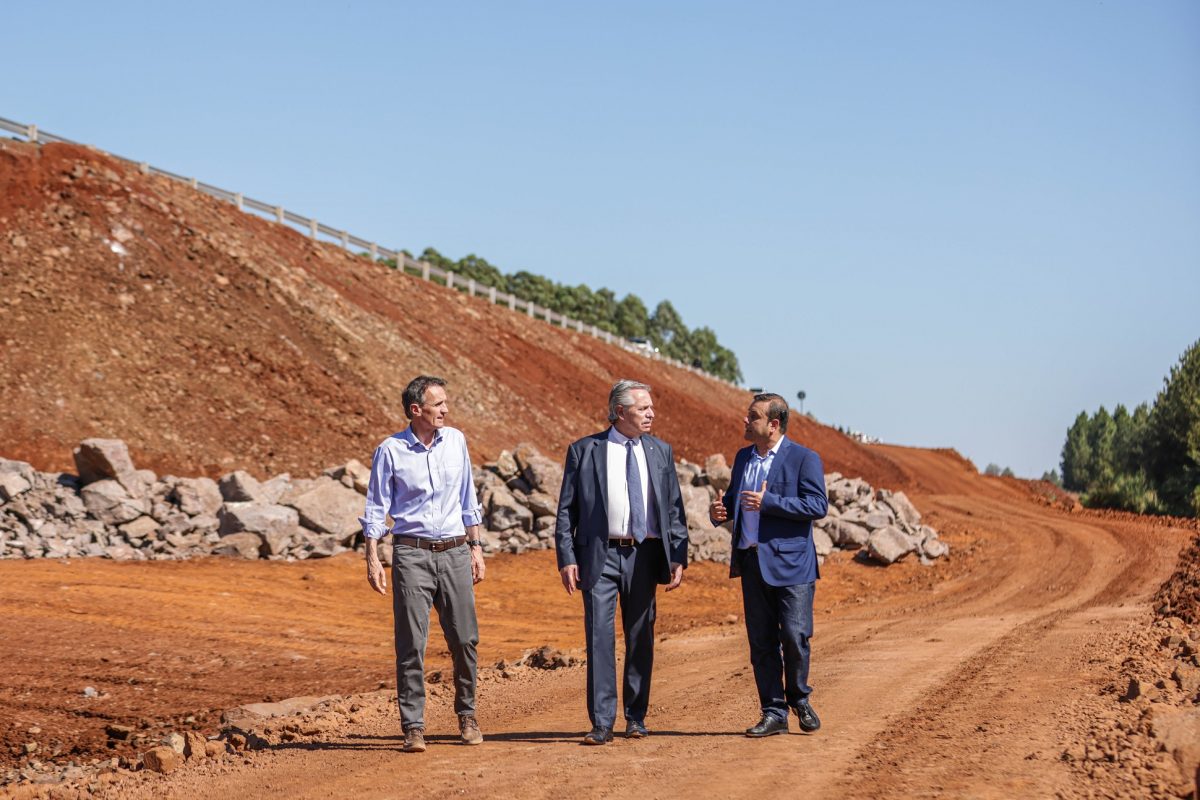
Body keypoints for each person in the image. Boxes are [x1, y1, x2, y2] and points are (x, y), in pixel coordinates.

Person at [554, 379, 689, 745]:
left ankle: (636, 717)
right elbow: (566, 511)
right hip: (598, 554)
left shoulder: (660, 451)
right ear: (620, 412)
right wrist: (566, 557)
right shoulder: (585, 450)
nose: (651, 414)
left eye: (651, 408)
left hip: (644, 554)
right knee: (599, 637)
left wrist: (678, 554)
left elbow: (673, 507)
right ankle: (601, 722)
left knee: (640, 636)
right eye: (643, 408)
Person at [360, 375, 487, 753]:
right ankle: (413, 726)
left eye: (447, 403)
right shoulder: (390, 451)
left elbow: (469, 496)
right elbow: (376, 507)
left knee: (465, 639)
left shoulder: (457, 442)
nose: (446, 409)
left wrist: (477, 547)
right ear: (417, 410)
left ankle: (467, 714)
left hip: (455, 551)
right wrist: (372, 557)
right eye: (439, 404)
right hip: (411, 554)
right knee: (412, 643)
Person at [710, 392, 828, 737]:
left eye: (753, 417)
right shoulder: (743, 458)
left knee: (794, 636)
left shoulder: (804, 458)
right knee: (761, 643)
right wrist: (720, 513)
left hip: (793, 566)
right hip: (751, 563)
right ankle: (773, 711)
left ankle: (799, 697)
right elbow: (735, 502)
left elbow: (818, 505)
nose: (746, 422)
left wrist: (770, 502)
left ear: (773, 424)